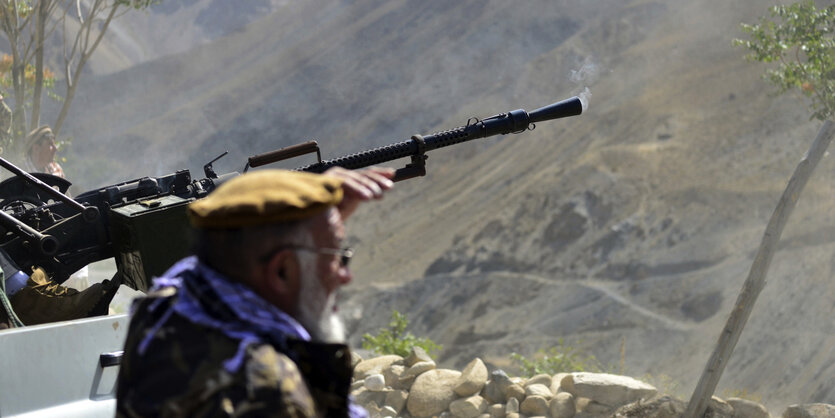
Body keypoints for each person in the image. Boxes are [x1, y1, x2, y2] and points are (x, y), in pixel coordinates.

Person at [116, 166, 395, 417]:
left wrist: (304, 203)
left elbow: (201, 261)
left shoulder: (164, 309)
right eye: (336, 257)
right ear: (281, 272)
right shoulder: (271, 394)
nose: (344, 276)